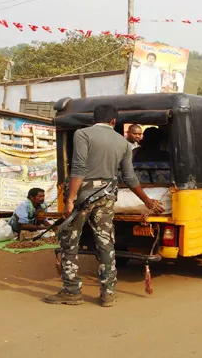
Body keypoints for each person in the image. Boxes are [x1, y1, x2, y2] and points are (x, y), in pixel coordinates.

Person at [44, 104, 163, 307]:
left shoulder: (83, 134)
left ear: (94, 119)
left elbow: (79, 168)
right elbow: (129, 178)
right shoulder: (124, 144)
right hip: (107, 197)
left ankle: (72, 291)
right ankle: (108, 293)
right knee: (106, 243)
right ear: (113, 122)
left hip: (84, 196)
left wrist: (70, 199)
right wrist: (146, 200)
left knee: (69, 242)